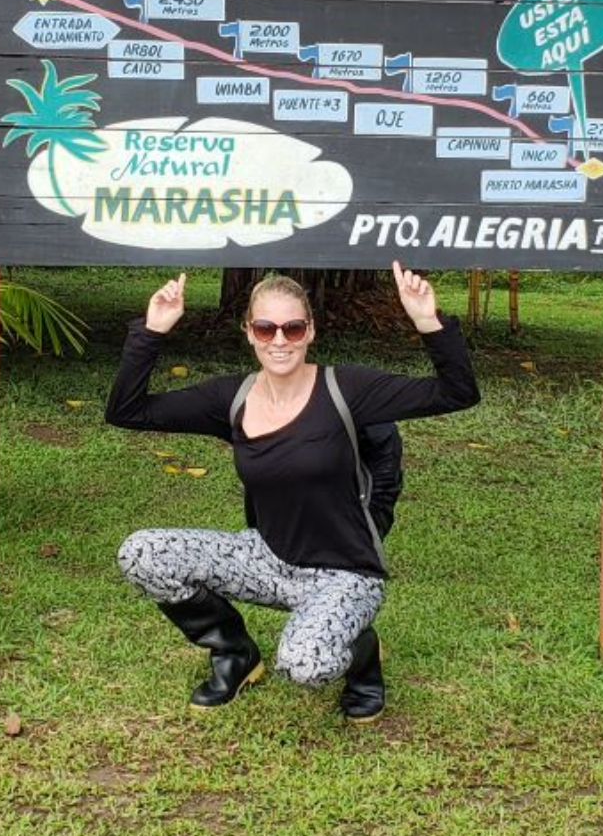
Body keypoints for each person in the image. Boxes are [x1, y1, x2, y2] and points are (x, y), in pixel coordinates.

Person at [106, 262, 478, 721]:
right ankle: (234, 654)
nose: (279, 340)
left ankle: (362, 652)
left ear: (310, 331)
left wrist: (427, 320)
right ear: (249, 333)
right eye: (265, 329)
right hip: (265, 560)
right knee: (143, 553)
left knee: (305, 665)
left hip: (344, 574)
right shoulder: (233, 399)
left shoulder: (347, 388)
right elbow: (128, 411)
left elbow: (456, 393)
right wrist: (153, 331)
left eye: (292, 327)